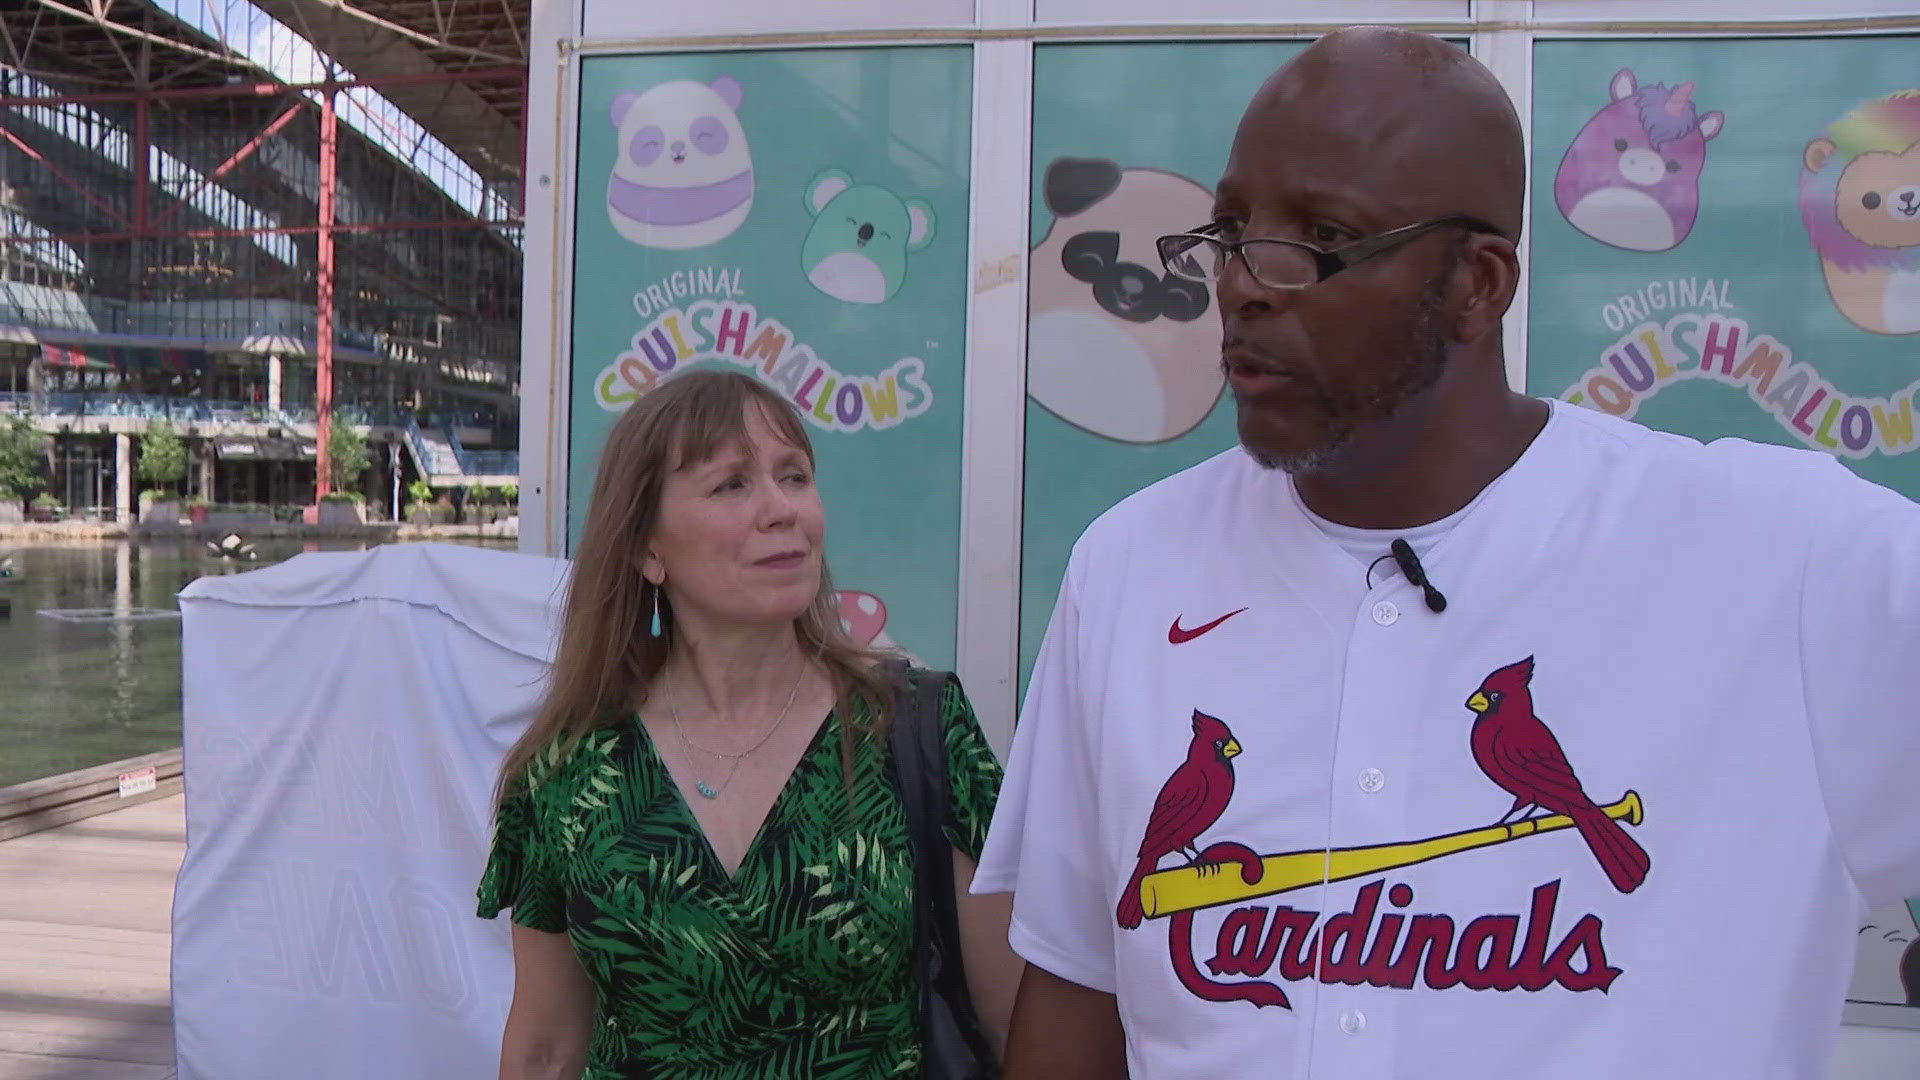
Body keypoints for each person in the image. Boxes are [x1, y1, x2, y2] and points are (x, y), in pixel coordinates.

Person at [974, 25, 1920, 1080]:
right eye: (1232, 228)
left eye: (1318, 234)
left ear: (1477, 284)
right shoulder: (1130, 568)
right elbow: (1077, 990)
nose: (1242, 284)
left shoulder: (1786, 563)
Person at [480, 369, 1020, 1078]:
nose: (781, 510)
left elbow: (1017, 1016)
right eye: (732, 485)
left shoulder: (913, 729)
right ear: (648, 549)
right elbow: (546, 1048)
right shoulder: (568, 772)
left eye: (794, 477)